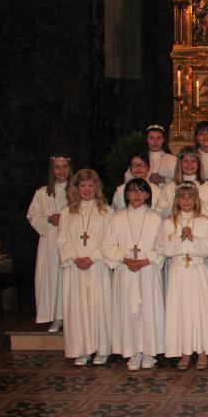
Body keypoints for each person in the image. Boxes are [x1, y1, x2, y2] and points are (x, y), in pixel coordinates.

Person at [102, 178, 165, 371]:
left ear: (147, 195)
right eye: (132, 191)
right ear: (126, 194)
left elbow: (162, 245)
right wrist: (125, 259)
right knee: (129, 312)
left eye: (141, 191)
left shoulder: (155, 218)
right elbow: (107, 245)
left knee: (148, 311)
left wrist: (146, 260)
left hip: (148, 271)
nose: (136, 195)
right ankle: (133, 352)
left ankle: (149, 352)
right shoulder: (118, 217)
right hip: (126, 271)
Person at [57, 169, 113, 366]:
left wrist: (92, 257)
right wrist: (74, 257)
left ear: (96, 187)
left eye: (91, 185)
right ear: (76, 188)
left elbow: (110, 239)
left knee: (99, 306)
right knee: (77, 308)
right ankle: (81, 349)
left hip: (96, 267)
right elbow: (62, 239)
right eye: (83, 186)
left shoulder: (106, 211)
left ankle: (101, 349)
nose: (87, 190)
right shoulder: (66, 213)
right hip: (75, 269)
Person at [157, 182, 208, 370]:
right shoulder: (168, 223)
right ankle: (184, 352)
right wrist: (179, 238)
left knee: (199, 310)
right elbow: (162, 249)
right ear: (177, 200)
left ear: (196, 199)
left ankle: (202, 351)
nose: (186, 200)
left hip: (197, 272)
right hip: (178, 273)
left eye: (190, 196)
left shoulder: (203, 222)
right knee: (180, 311)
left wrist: (193, 239)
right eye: (182, 197)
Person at [27, 154, 73, 332]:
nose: (61, 171)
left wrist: (65, 218)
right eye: (57, 167)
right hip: (50, 242)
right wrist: (49, 220)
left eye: (64, 167)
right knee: (52, 277)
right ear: (52, 170)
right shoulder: (42, 193)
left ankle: (69, 315)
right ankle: (56, 316)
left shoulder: (76, 191)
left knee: (67, 277)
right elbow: (33, 215)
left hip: (69, 241)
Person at [156, 147, 208, 219]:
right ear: (180, 163)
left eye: (193, 161)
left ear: (198, 164)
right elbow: (159, 212)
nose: (189, 164)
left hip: (200, 227)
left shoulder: (207, 186)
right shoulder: (170, 187)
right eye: (185, 161)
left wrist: (196, 200)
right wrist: (177, 203)